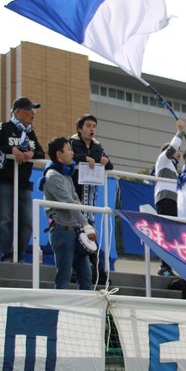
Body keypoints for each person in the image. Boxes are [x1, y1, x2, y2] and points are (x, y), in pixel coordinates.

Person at [0, 97, 45, 262]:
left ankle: (19, 256)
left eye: (34, 110)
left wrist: (31, 153)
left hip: (24, 183)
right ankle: (7, 255)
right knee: (5, 219)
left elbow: (41, 152)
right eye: (29, 110)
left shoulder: (30, 132)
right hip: (4, 180)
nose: (33, 114)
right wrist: (11, 150)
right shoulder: (4, 128)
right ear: (17, 111)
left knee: (27, 222)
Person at [39, 136, 97, 290]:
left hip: (75, 230)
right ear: (59, 154)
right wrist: (86, 224)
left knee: (86, 276)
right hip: (62, 230)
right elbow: (70, 203)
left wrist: (76, 207)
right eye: (69, 149)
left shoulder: (65, 174)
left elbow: (75, 200)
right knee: (64, 275)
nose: (72, 153)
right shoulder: (53, 176)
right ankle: (60, 304)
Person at [70, 114, 113, 284]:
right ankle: (77, 271)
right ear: (80, 128)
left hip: (90, 199)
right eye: (88, 125)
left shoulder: (97, 145)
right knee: (76, 235)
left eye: (94, 126)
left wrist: (104, 161)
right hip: (75, 196)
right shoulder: (72, 142)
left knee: (90, 236)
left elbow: (109, 164)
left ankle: (96, 273)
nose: (92, 129)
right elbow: (71, 157)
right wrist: (84, 158)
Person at [154, 119, 186, 276]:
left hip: (172, 201)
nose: (179, 152)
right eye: (177, 149)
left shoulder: (173, 168)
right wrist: (180, 132)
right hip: (165, 200)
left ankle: (168, 266)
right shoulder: (163, 159)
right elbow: (171, 148)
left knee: (172, 235)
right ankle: (164, 267)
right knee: (168, 234)